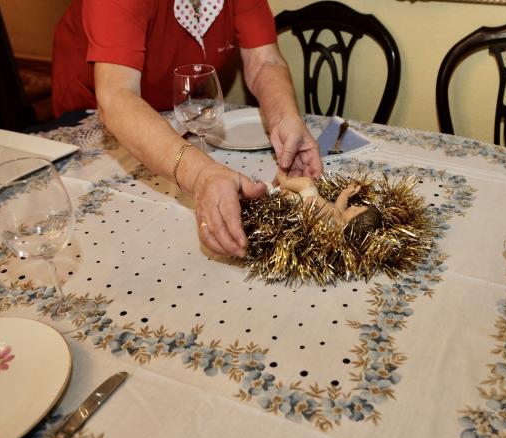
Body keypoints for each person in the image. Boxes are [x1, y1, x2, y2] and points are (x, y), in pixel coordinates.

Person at [51, 0, 322, 258]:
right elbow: (116, 99)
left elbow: (265, 61)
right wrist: (201, 174)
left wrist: (284, 117)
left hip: (172, 105)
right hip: (94, 112)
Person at [275, 170, 383, 241]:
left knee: (306, 183)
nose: (354, 206)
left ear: (352, 225)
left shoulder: (335, 225)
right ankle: (282, 187)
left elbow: (315, 222)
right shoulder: (340, 217)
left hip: (304, 203)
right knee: (299, 188)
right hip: (310, 199)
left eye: (355, 211)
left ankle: (281, 184)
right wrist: (345, 194)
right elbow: (339, 206)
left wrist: (308, 209)